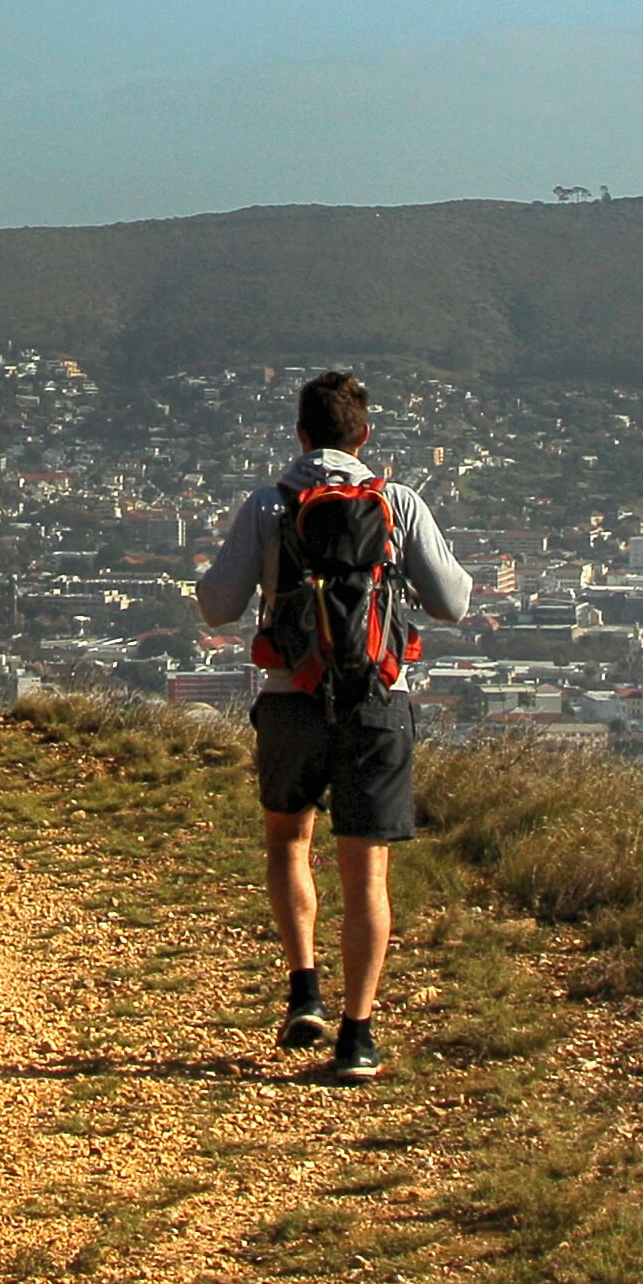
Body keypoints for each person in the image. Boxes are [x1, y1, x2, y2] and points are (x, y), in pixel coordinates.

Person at [193, 369, 472, 1083]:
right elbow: (453, 602)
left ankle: (303, 991)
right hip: (377, 702)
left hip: (291, 697)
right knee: (366, 872)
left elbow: (219, 606)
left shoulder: (269, 505)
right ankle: (358, 1035)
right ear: (364, 436)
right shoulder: (397, 502)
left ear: (300, 434)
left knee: (289, 842)